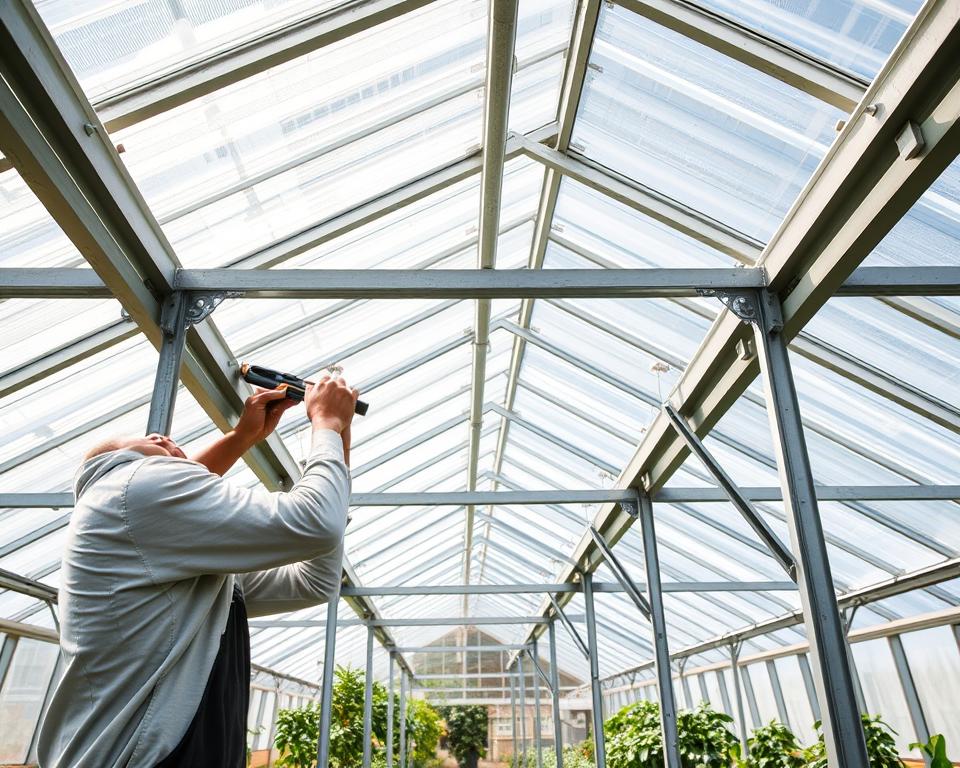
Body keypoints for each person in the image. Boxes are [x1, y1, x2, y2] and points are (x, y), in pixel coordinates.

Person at [37, 375, 359, 768]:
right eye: (150, 440)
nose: (162, 436)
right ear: (118, 460)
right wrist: (324, 424)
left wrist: (330, 442)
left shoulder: (175, 559)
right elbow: (316, 524)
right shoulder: (126, 485)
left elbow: (314, 582)